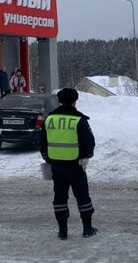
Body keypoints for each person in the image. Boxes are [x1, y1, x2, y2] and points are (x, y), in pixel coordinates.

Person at [40, 88, 97, 240]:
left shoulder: (49, 119)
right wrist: (86, 156)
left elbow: (42, 143)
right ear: (74, 101)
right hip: (76, 165)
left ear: (59, 101)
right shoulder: (79, 120)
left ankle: (62, 231)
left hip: (57, 166)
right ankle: (87, 228)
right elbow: (89, 142)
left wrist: (48, 159)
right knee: (82, 196)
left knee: (59, 198)